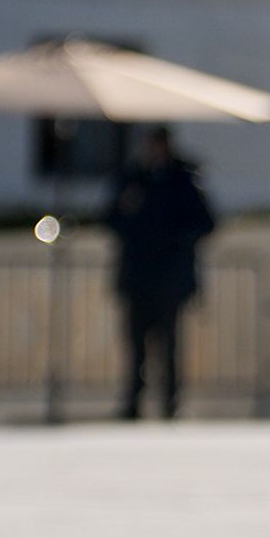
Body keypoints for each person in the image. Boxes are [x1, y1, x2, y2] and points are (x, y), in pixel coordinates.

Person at [104, 126, 215, 421]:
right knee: (134, 345)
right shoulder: (132, 179)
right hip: (137, 276)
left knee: (169, 345)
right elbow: (110, 219)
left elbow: (205, 223)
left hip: (170, 278)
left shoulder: (184, 181)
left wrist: (172, 239)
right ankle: (133, 402)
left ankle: (170, 402)